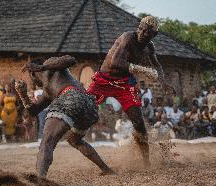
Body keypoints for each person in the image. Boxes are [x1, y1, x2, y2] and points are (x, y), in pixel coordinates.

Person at [86, 16, 175, 166]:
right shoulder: (128, 37)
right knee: (82, 106)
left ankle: (146, 163)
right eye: (140, 29)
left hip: (125, 84)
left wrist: (164, 82)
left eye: (147, 32)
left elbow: (157, 65)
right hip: (104, 79)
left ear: (154, 35)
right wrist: (142, 69)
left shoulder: (150, 47)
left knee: (139, 122)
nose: (141, 33)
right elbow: (116, 62)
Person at [16, 55, 113, 177]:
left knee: (47, 141)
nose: (33, 82)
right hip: (89, 107)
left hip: (72, 96)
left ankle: (40, 178)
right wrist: (23, 96)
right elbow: (33, 112)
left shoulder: (49, 65)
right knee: (74, 139)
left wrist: (42, 67)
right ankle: (106, 169)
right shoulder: (47, 92)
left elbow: (71, 60)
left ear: (32, 74)